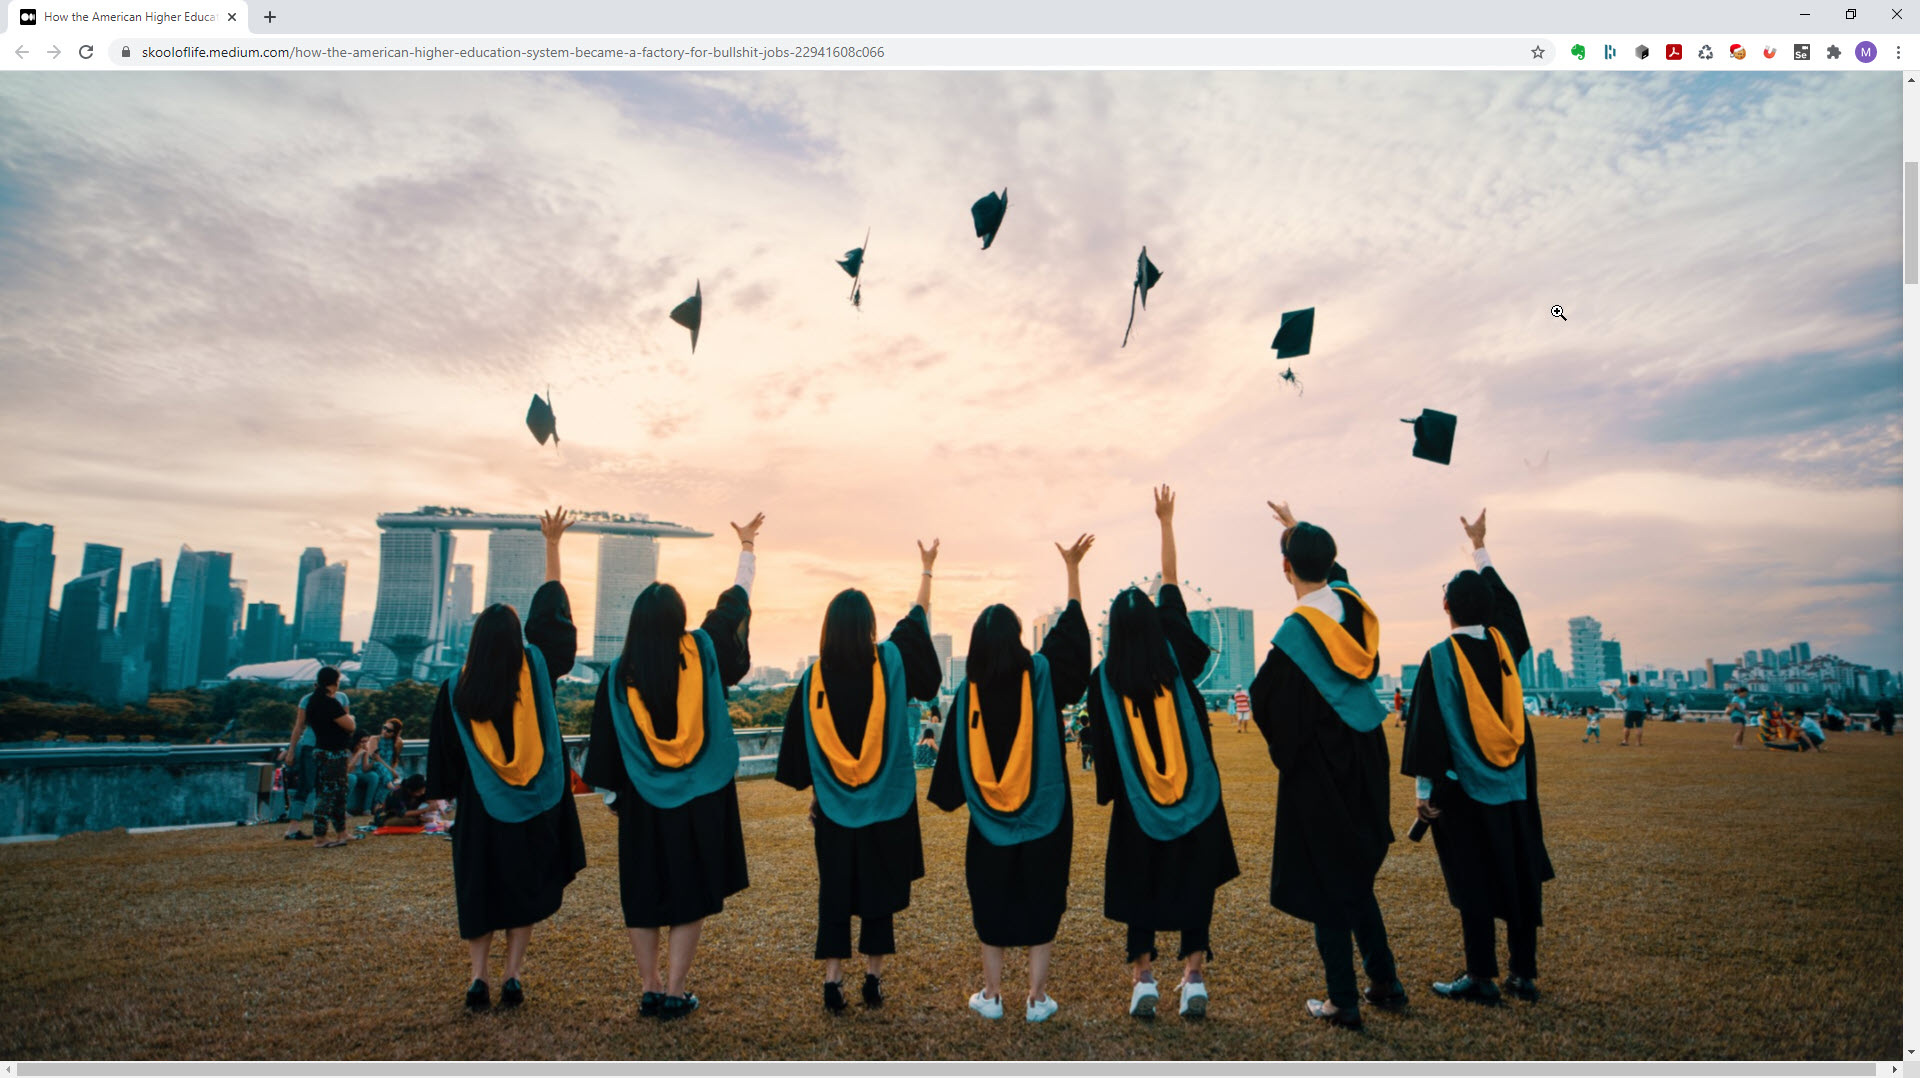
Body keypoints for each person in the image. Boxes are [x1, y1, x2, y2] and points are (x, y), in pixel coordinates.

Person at [583, 511, 762, 1022]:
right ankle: (677, 990)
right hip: (699, 796)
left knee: (643, 892)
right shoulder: (702, 649)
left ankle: (650, 985)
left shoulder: (619, 675)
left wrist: (616, 798)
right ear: (680, 617)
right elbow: (733, 604)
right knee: (689, 893)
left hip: (642, 798)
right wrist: (746, 550)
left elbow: (605, 745)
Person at [1082, 486, 1240, 1021]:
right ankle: (1193, 977)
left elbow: (1101, 747)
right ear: (1154, 624)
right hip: (1196, 795)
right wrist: (1166, 522)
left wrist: (1115, 790)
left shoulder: (1102, 681)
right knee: (1195, 880)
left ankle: (1143, 977)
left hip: (1138, 803)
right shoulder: (1175, 655)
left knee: (1140, 885)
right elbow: (1171, 583)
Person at [425, 506, 588, 1012]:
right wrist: (553, 545)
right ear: (518, 640)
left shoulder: (455, 689)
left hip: (481, 809)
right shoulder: (536, 667)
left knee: (482, 891)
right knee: (524, 888)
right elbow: (553, 616)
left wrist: (451, 800)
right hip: (535, 805)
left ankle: (478, 978)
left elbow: (444, 765)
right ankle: (513, 976)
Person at [1248, 500, 1401, 1030]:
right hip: (1367, 751)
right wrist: (1297, 531)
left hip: (1320, 768)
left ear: (1285, 568)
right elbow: (1336, 574)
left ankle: (1342, 999)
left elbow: (1265, 700)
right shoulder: (1355, 609)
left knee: (1325, 877)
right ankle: (1385, 981)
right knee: (1355, 874)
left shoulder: (1295, 637)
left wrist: (1293, 757)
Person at [928, 533, 1093, 1024]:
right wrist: (1073, 572)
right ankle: (1038, 999)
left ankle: (992, 994)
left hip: (989, 826)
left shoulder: (968, 694)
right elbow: (1074, 645)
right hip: (1046, 815)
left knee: (992, 902)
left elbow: (951, 775)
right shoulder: (1041, 672)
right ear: (1020, 638)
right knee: (1043, 899)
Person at [776, 539, 944, 1013]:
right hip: (887, 807)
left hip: (834, 811)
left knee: (834, 893)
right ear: (870, 627)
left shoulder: (813, 681)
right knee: (877, 893)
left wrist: (820, 793)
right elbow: (917, 624)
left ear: (827, 628)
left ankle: (833, 982)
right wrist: (926, 571)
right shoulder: (890, 661)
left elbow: (800, 752)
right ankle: (872, 981)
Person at [1401, 509, 1553, 1005]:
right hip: (1514, 787)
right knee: (1519, 871)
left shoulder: (1439, 657)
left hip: (1463, 789)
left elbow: (1426, 730)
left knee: (1473, 877)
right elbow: (1509, 609)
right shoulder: (1507, 646)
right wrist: (1480, 548)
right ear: (1489, 609)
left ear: (1445, 605)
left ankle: (1482, 976)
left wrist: (1423, 793)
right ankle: (1524, 974)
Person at [289, 666, 357, 848]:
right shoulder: (331, 703)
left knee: (336, 792)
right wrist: (352, 720)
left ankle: (340, 832)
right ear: (334, 681)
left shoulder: (312, 702)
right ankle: (320, 836)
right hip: (334, 752)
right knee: (329, 793)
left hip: (320, 749)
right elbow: (350, 726)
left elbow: (301, 726)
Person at [347, 731, 398, 817]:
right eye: (362, 741)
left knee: (373, 776)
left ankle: (367, 809)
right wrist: (357, 754)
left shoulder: (365, 751)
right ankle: (389, 783)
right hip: (349, 774)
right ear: (355, 741)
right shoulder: (347, 750)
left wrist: (374, 760)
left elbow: (365, 768)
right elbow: (348, 769)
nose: (364, 744)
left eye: (366, 741)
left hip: (359, 774)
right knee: (353, 778)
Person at [1614, 674, 1649, 747]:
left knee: (1627, 726)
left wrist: (1616, 691)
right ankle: (1638, 742)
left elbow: (1622, 698)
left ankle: (1626, 741)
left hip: (1630, 710)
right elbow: (1646, 701)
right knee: (1639, 727)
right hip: (1641, 710)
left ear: (1630, 680)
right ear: (1637, 681)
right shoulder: (1642, 690)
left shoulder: (1628, 689)